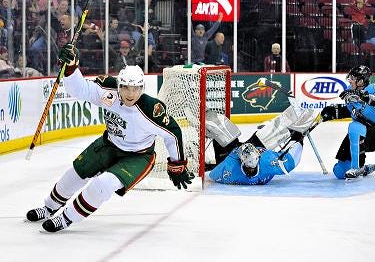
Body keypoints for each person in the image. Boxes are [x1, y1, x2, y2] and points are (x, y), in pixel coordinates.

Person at [25, 43, 193, 233]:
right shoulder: (108, 91)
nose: (131, 94)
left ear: (142, 88)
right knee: (74, 173)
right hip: (109, 144)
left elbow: (173, 133)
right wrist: (71, 67)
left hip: (138, 156)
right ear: (119, 85)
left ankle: (66, 218)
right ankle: (48, 208)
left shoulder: (151, 110)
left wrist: (177, 164)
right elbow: (79, 90)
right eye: (126, 88)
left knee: (103, 184)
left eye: (136, 89)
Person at [207, 106, 319, 184]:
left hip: (239, 153)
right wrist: (299, 137)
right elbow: (291, 160)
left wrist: (297, 138)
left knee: (226, 140)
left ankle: (207, 116)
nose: (251, 171)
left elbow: (213, 175)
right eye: (250, 168)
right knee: (266, 137)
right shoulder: (268, 162)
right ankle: (205, 115)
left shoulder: (230, 169)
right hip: (235, 154)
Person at [320, 65, 375, 180]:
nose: (350, 79)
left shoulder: (373, 88)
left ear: (361, 81)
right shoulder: (350, 89)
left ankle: (356, 167)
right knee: (339, 172)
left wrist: (363, 96)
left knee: (354, 127)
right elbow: (350, 110)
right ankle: (363, 168)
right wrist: (333, 111)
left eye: (353, 77)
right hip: (360, 133)